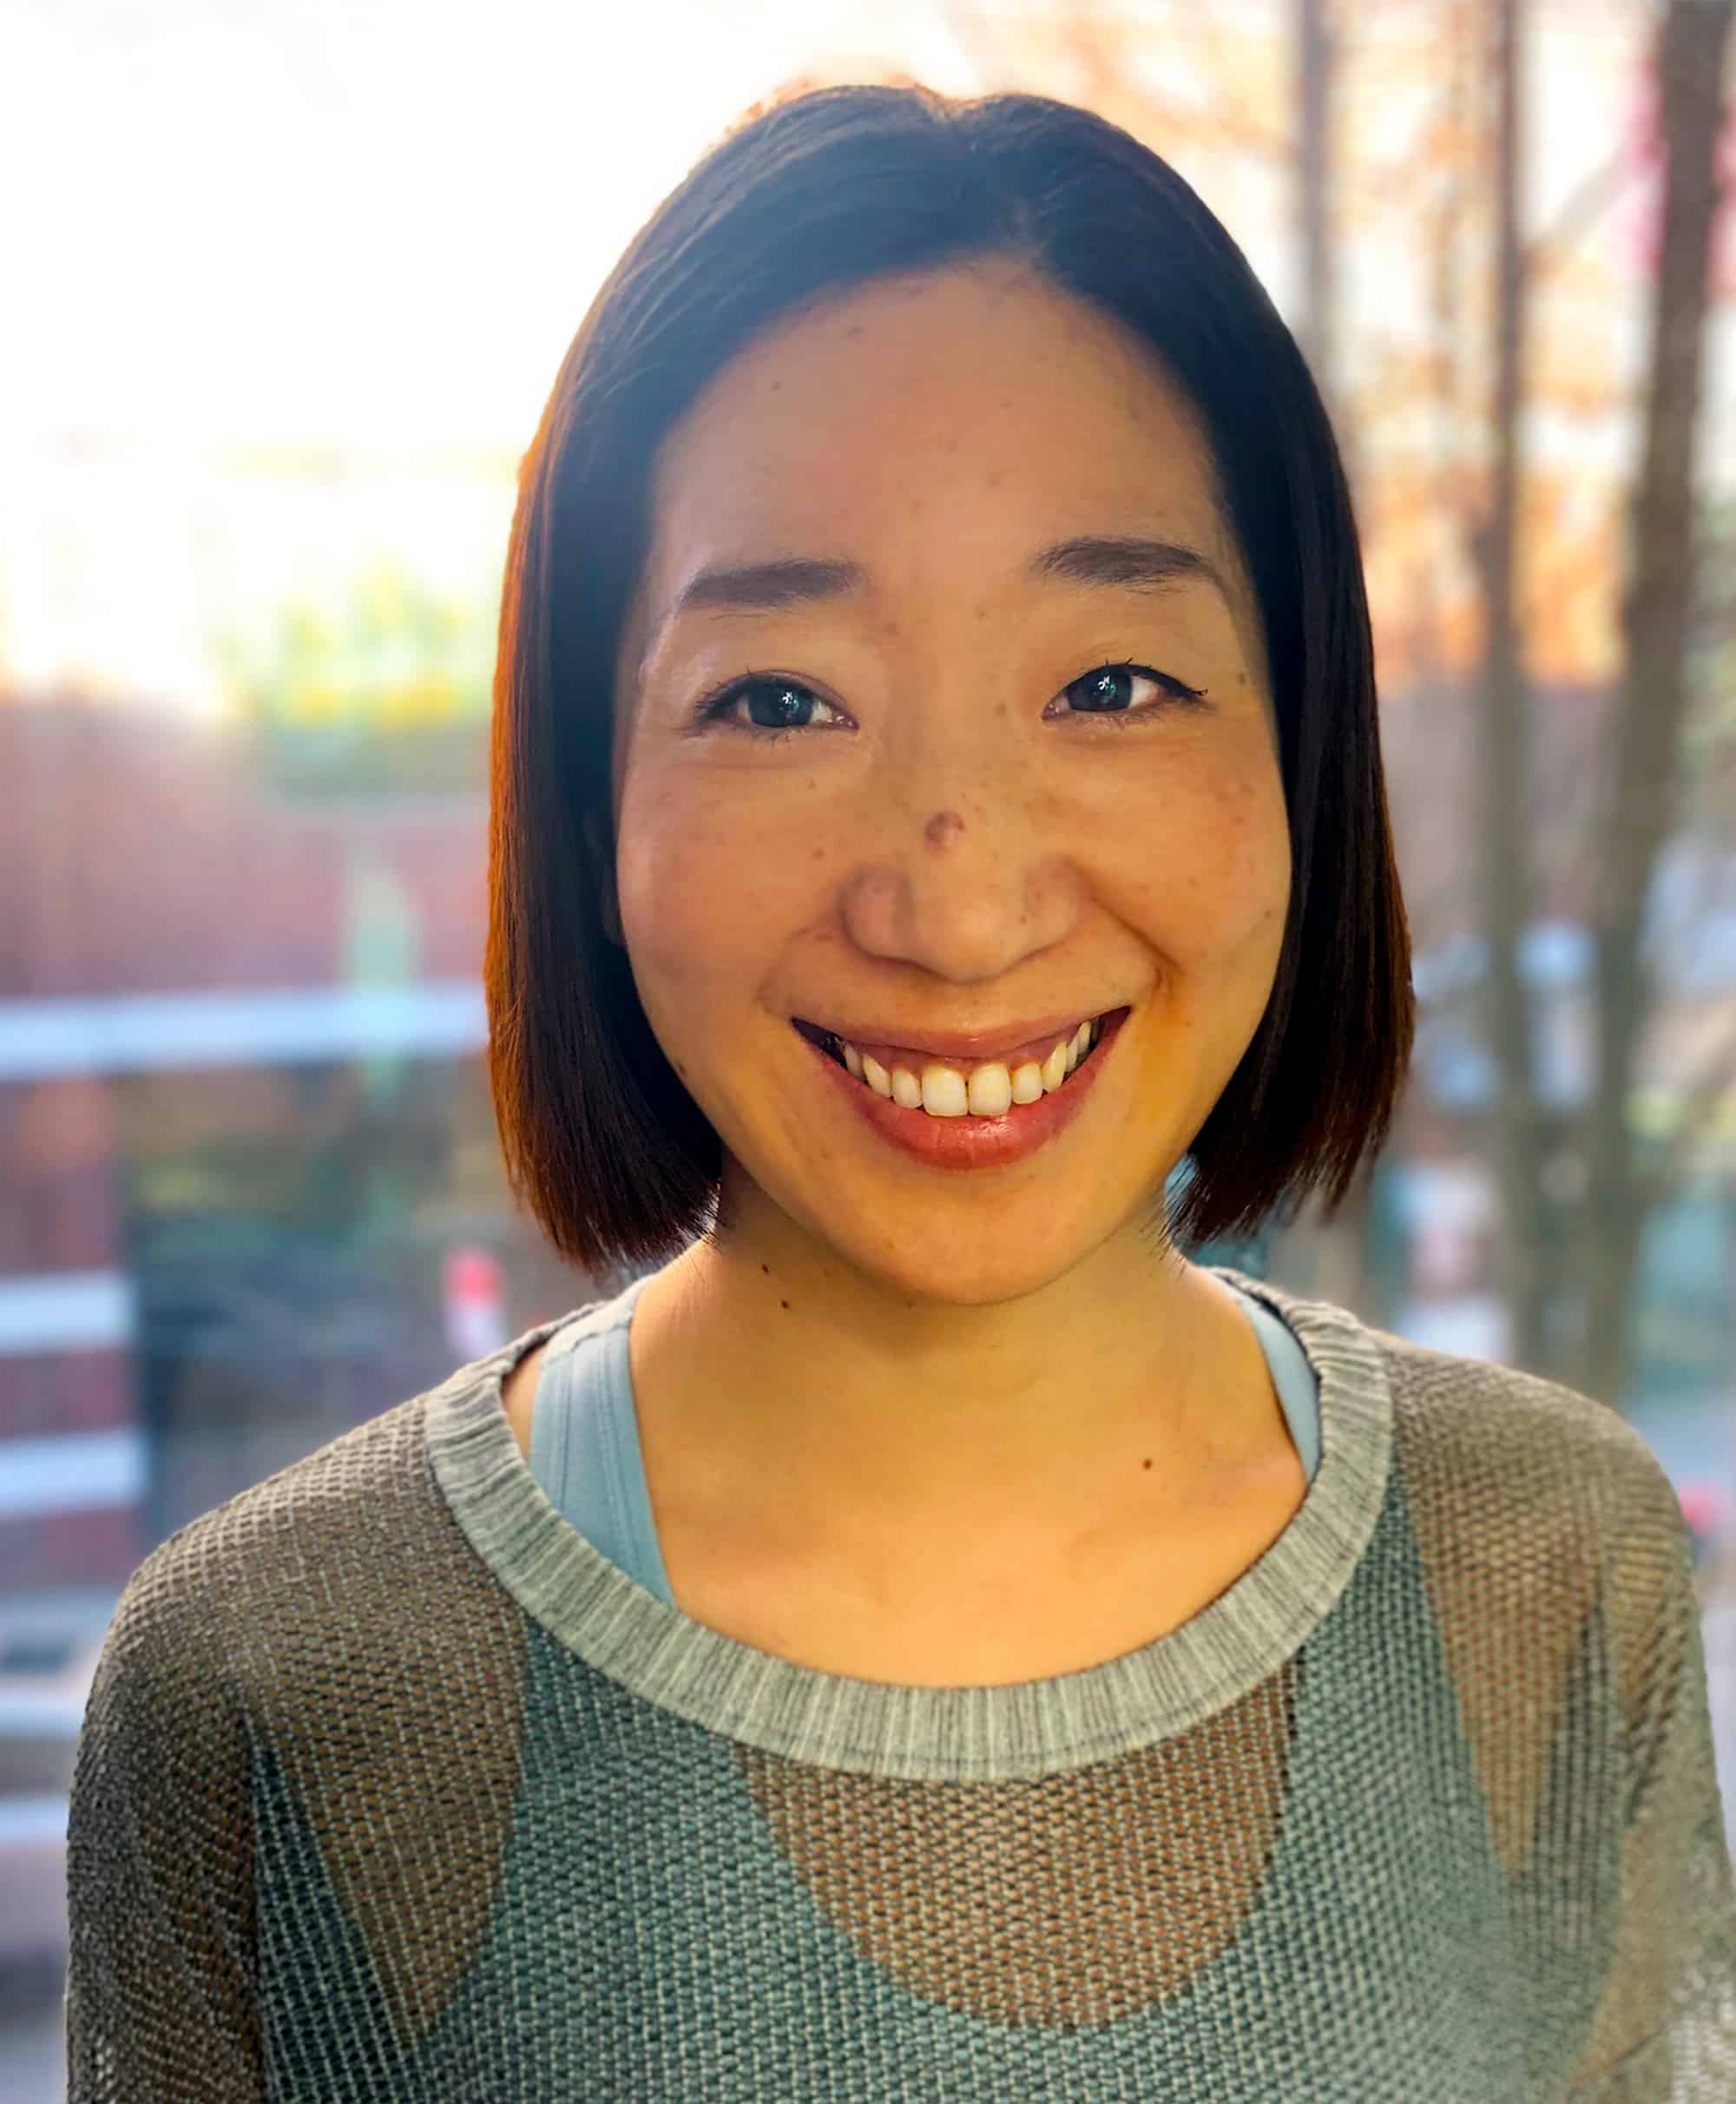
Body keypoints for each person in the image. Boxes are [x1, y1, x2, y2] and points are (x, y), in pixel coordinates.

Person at [65, 82, 1736, 2100]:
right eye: (776, 700)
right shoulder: (276, 1691)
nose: (957, 906)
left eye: (1110, 683)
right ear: (591, 803)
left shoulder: (1550, 1567)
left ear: (1297, 749)